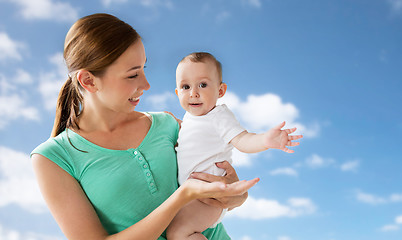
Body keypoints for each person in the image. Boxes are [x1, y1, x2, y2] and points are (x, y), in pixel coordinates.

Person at [30, 13, 258, 240]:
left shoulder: (166, 124)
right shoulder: (53, 159)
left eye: (143, 69)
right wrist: (181, 196)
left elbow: (221, 183)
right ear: (88, 80)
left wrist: (237, 196)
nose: (146, 84)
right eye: (132, 75)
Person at [166, 52, 303, 239]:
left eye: (203, 85)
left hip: (210, 198)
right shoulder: (191, 119)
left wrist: (265, 140)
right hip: (194, 196)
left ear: (220, 91)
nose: (193, 93)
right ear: (177, 92)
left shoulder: (219, 117)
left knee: (178, 233)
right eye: (185, 86)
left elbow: (242, 139)